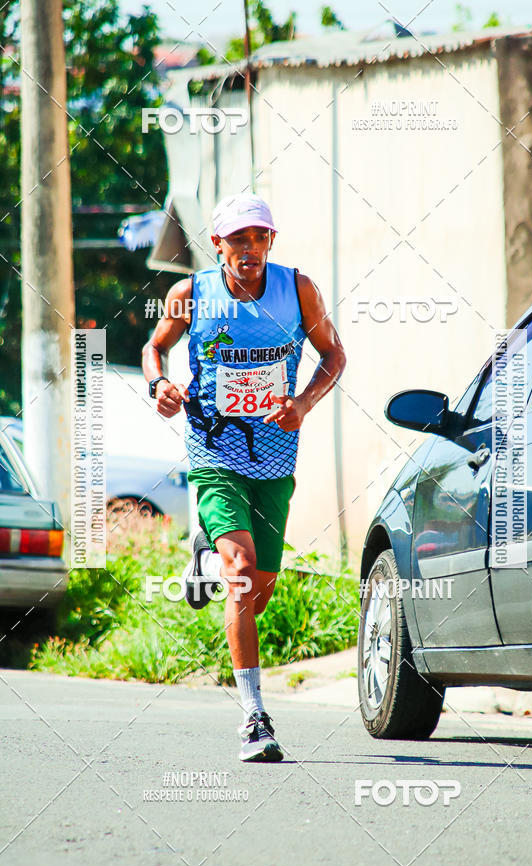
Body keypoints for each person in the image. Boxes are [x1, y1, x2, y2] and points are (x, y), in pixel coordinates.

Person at [142, 193, 346, 762]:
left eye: (259, 238)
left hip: (277, 454)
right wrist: (160, 386)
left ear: (271, 242)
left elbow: (334, 355)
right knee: (240, 575)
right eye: (238, 239)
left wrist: (302, 404)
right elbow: (154, 350)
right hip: (213, 449)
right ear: (218, 246)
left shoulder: (298, 289)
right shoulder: (191, 295)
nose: (250, 249)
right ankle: (255, 719)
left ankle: (204, 556)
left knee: (257, 595)